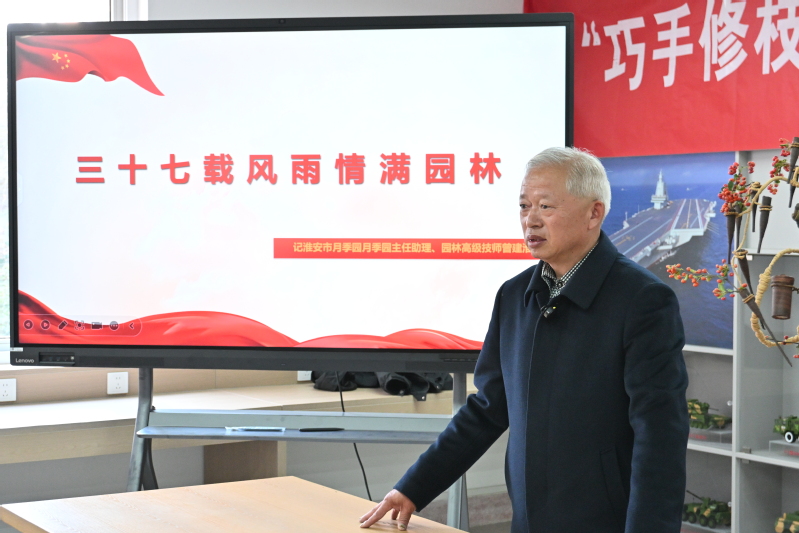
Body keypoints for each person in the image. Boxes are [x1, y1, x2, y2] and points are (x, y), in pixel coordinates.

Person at [359, 147, 689, 533]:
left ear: (594, 213)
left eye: (545, 206)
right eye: (523, 206)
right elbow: (487, 408)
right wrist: (413, 488)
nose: (530, 219)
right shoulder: (514, 296)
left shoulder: (642, 300)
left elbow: (660, 433)